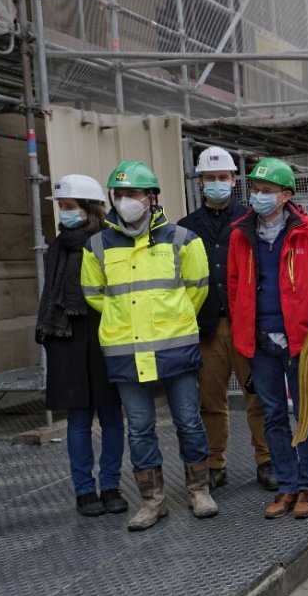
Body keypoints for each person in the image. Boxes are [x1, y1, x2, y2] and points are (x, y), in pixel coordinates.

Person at [81, 160, 218, 530]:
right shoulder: (97, 245)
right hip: (126, 349)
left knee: (188, 421)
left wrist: (170, 320)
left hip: (175, 346)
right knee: (139, 427)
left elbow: (198, 289)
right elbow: (94, 295)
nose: (126, 201)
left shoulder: (182, 239)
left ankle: (198, 490)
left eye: (133, 194)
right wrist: (125, 321)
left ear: (151, 197)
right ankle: (152, 500)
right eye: (120, 194)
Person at [228, 157, 308, 520]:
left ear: (286, 195)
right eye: (255, 190)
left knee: (307, 415)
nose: (258, 197)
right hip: (260, 340)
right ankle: (286, 485)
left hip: (302, 340)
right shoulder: (241, 234)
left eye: (267, 191)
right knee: (272, 414)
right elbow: (236, 285)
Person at [179, 147, 273, 492]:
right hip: (206, 326)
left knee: (258, 395)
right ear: (199, 182)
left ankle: (267, 460)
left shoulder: (252, 221)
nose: (216, 183)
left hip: (246, 323)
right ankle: (215, 464)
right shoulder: (186, 228)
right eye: (209, 178)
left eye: (222, 177)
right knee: (211, 400)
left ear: (234, 181)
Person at [37, 174, 127, 517]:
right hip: (67, 339)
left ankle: (111, 486)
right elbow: (51, 297)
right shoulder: (58, 246)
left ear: (89, 209)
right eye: (61, 207)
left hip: (104, 336)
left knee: (111, 416)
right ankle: (84, 491)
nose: (64, 213)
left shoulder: (108, 242)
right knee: (77, 419)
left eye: (69, 206)